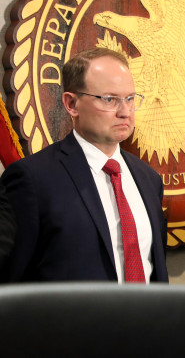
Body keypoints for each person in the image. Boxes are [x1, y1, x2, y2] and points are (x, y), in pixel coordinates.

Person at [0, 48, 168, 283]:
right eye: (110, 99)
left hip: (148, 320)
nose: (125, 112)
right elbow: (11, 279)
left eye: (130, 99)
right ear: (71, 104)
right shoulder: (33, 178)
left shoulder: (148, 179)